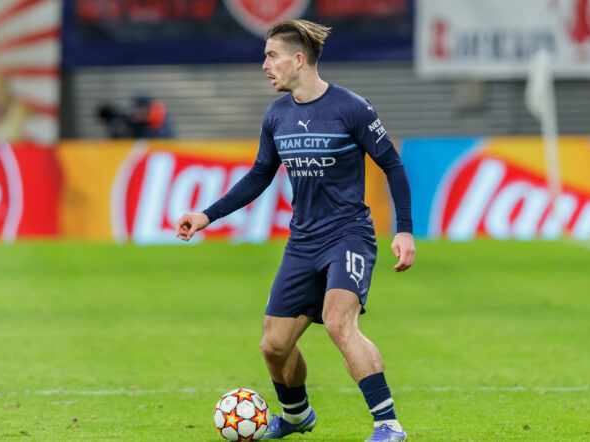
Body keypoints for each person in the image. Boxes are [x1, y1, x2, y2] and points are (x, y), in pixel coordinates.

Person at [175, 19, 414, 442]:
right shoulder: (277, 116)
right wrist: (207, 215)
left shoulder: (352, 108)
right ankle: (297, 415)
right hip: (303, 242)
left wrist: (405, 229)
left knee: (338, 322)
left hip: (348, 235)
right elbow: (259, 175)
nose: (265, 65)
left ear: (298, 60)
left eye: (272, 56)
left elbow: (392, 165)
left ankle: (388, 424)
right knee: (273, 345)